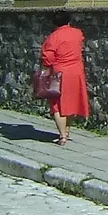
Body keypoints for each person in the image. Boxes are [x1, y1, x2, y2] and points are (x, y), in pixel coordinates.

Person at [40, 10, 90, 145]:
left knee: (57, 105)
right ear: (69, 21)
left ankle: (62, 136)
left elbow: (47, 57)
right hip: (76, 71)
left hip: (59, 72)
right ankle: (67, 131)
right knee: (71, 102)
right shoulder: (77, 33)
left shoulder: (53, 37)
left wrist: (46, 68)